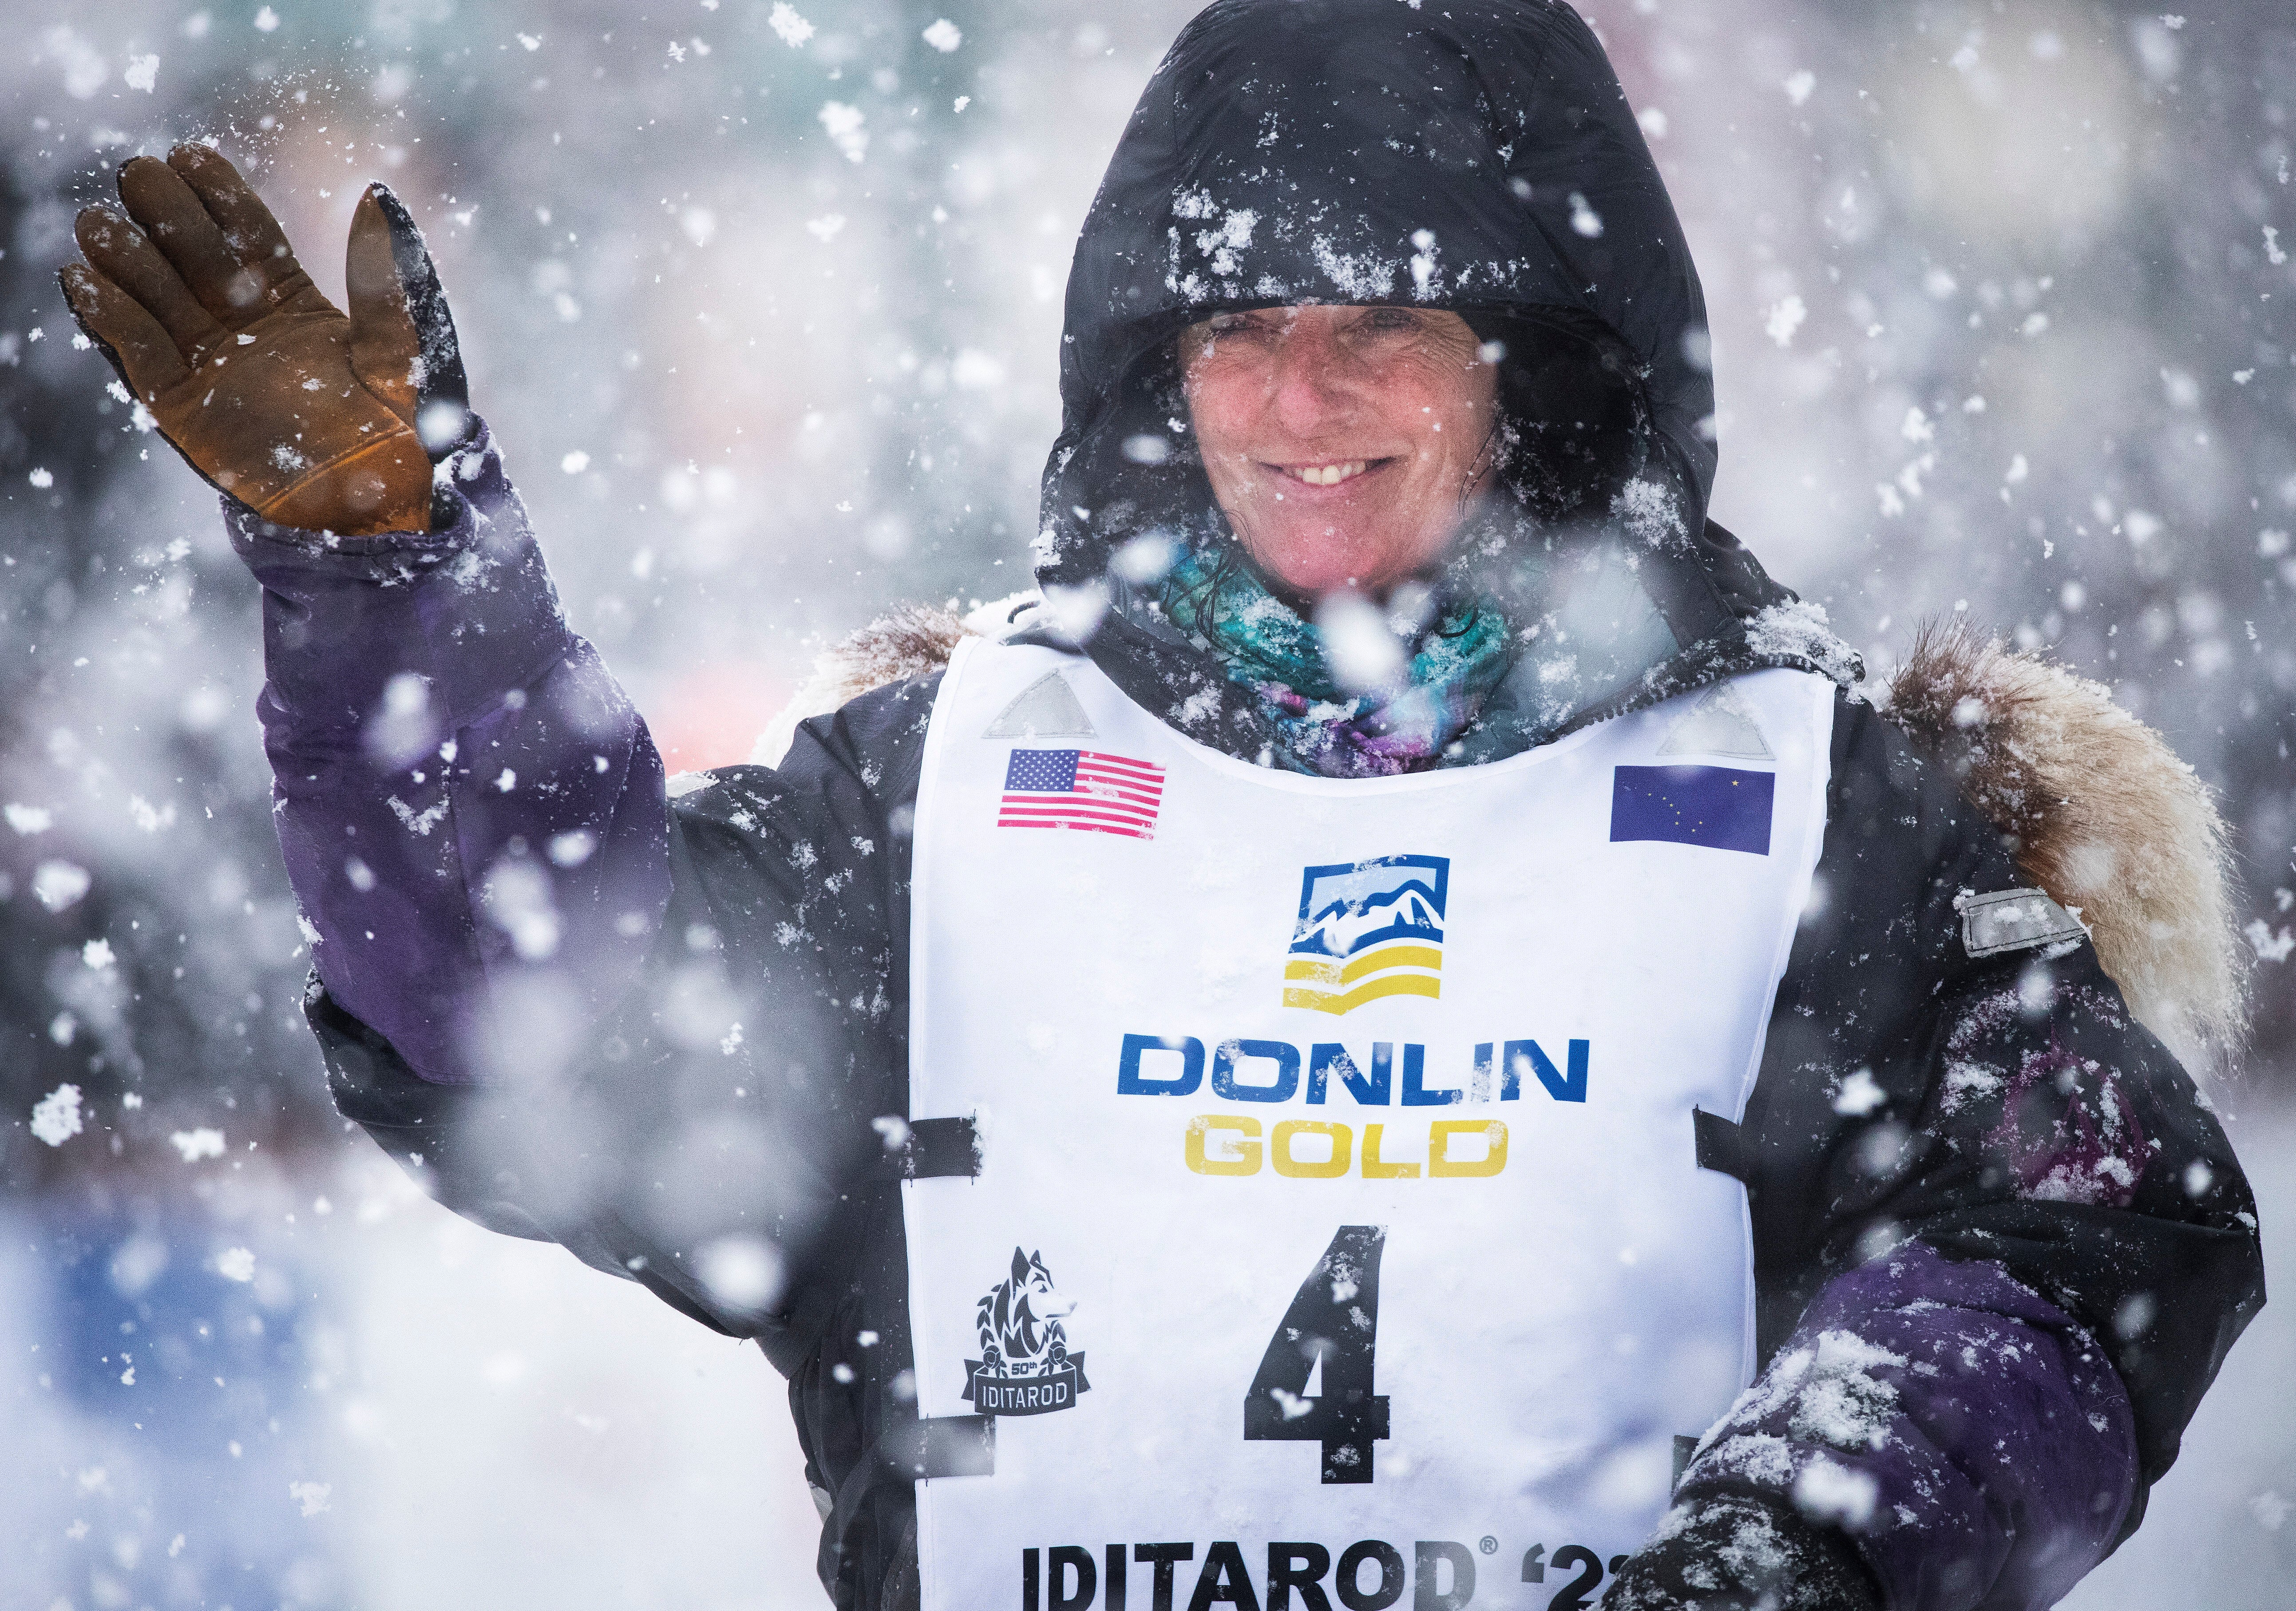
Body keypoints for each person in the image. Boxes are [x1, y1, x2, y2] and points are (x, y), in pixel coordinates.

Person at [60, 3, 2262, 1608]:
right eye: (1234, 327)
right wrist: (394, 582)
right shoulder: (947, 796)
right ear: (1148, 368)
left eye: (1381, 323)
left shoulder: (1802, 800)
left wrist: (1800, 1549)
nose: (1297, 399)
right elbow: (527, 1011)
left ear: (1544, 364)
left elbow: (2090, 1247)